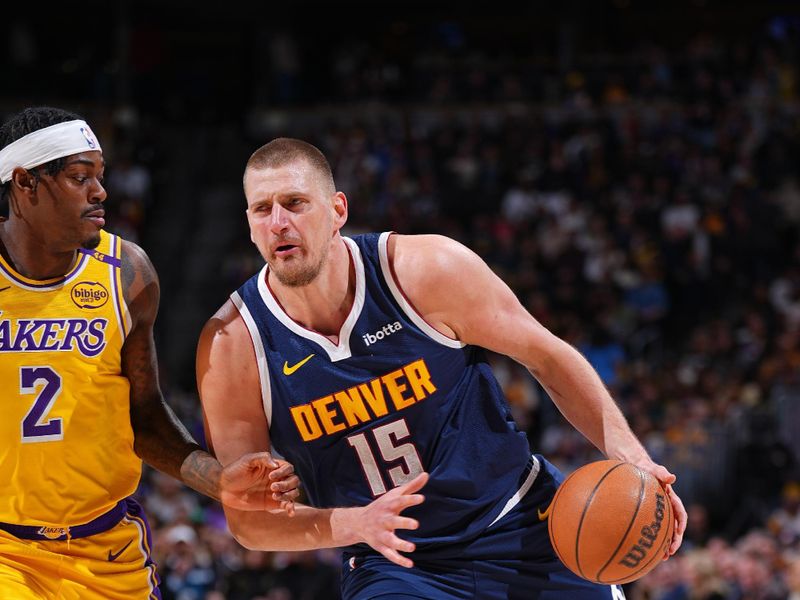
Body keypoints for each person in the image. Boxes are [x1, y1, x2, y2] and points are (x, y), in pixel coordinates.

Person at [197, 137, 688, 599]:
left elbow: (549, 356)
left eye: (295, 203)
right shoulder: (233, 346)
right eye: (263, 209)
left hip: (519, 520)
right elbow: (248, 521)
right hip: (393, 562)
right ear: (249, 224)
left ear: (337, 210)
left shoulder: (425, 272)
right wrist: (351, 524)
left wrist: (634, 460)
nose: (279, 222)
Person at [0, 107, 300, 600]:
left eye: (100, 176)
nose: (100, 192)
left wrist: (218, 481)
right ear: (26, 183)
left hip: (107, 548)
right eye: (80, 178)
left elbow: (143, 414)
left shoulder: (126, 274)